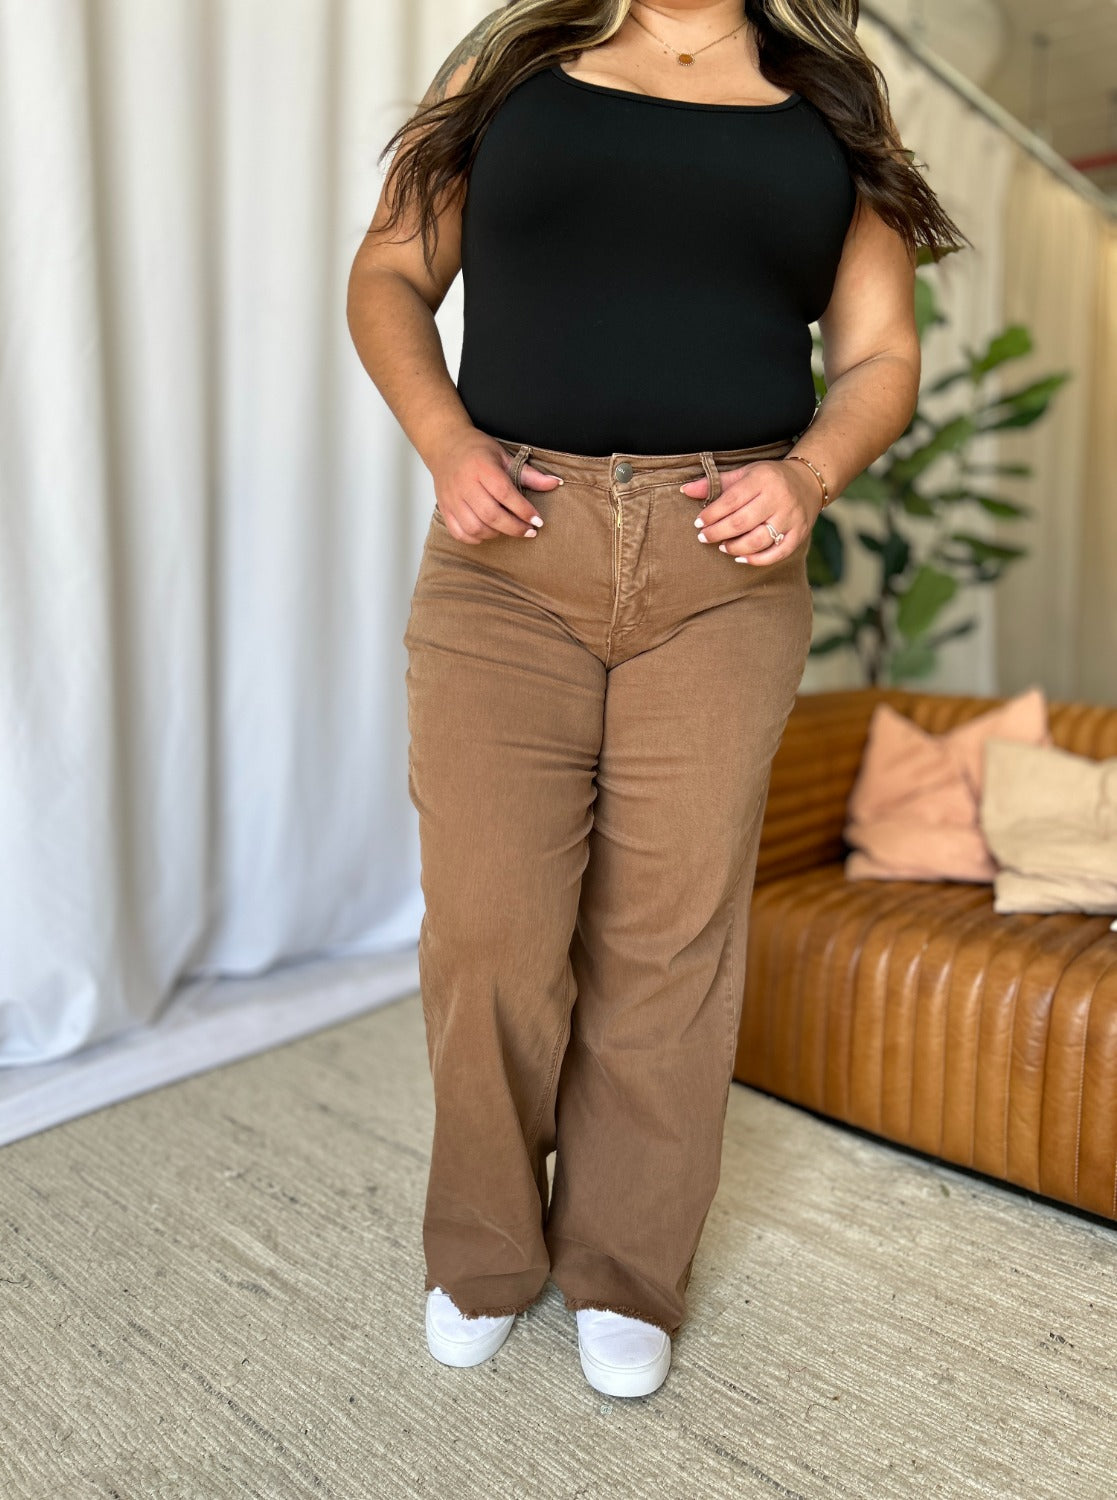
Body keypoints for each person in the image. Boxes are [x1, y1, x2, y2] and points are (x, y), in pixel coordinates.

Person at [346, 0, 968, 1400]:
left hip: (722, 566)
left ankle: (624, 1263)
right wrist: (445, 442)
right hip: (509, 547)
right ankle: (484, 1247)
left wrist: (808, 475)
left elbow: (880, 354)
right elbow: (388, 271)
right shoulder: (511, 61)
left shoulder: (831, 104)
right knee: (491, 929)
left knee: (668, 935)